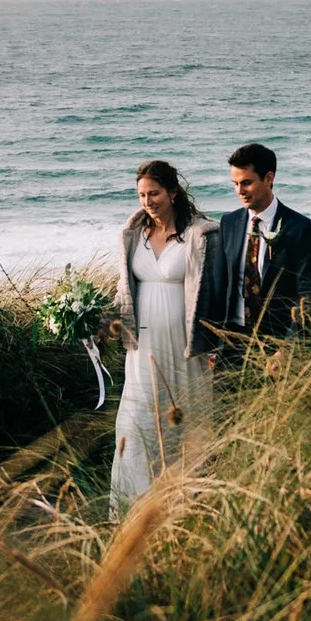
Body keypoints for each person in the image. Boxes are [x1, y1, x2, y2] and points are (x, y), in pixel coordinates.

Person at [110, 159, 222, 509]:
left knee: (183, 423)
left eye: (154, 193)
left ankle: (185, 502)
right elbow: (123, 292)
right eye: (142, 194)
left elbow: (215, 292)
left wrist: (216, 341)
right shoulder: (132, 236)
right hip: (142, 348)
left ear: (173, 192)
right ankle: (136, 508)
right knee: (135, 423)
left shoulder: (201, 236)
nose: (147, 201)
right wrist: (95, 323)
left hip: (185, 345)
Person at [203, 142, 311, 361]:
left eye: (246, 183)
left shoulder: (300, 228)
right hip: (232, 343)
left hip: (278, 345)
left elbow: (310, 295)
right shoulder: (229, 223)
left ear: (269, 178)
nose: (240, 191)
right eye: (235, 184)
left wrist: (288, 349)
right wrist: (213, 345)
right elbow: (220, 286)